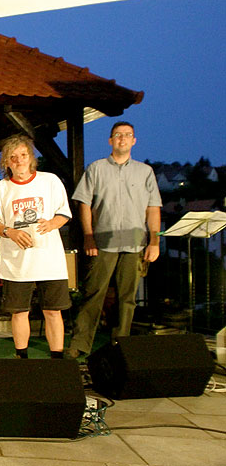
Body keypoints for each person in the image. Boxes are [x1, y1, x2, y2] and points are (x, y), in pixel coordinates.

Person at [66, 121, 161, 359]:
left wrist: (154, 241)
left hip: (135, 242)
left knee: (127, 298)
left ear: (134, 140)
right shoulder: (96, 168)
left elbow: (153, 208)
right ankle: (81, 343)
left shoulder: (145, 171)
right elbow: (84, 204)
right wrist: (88, 236)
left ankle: (121, 345)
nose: (122, 139)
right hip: (102, 242)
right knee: (93, 294)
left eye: (127, 135)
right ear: (110, 140)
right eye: (118, 135)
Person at [0, 134, 73, 359]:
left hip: (49, 260)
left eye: (23, 155)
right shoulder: (1, 189)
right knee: (19, 312)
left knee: (53, 311)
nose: (19, 160)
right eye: (13, 157)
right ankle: (21, 357)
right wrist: (10, 232)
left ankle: (57, 359)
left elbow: (64, 213)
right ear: (6, 162)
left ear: (31, 158)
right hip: (16, 262)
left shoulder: (50, 180)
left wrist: (52, 223)